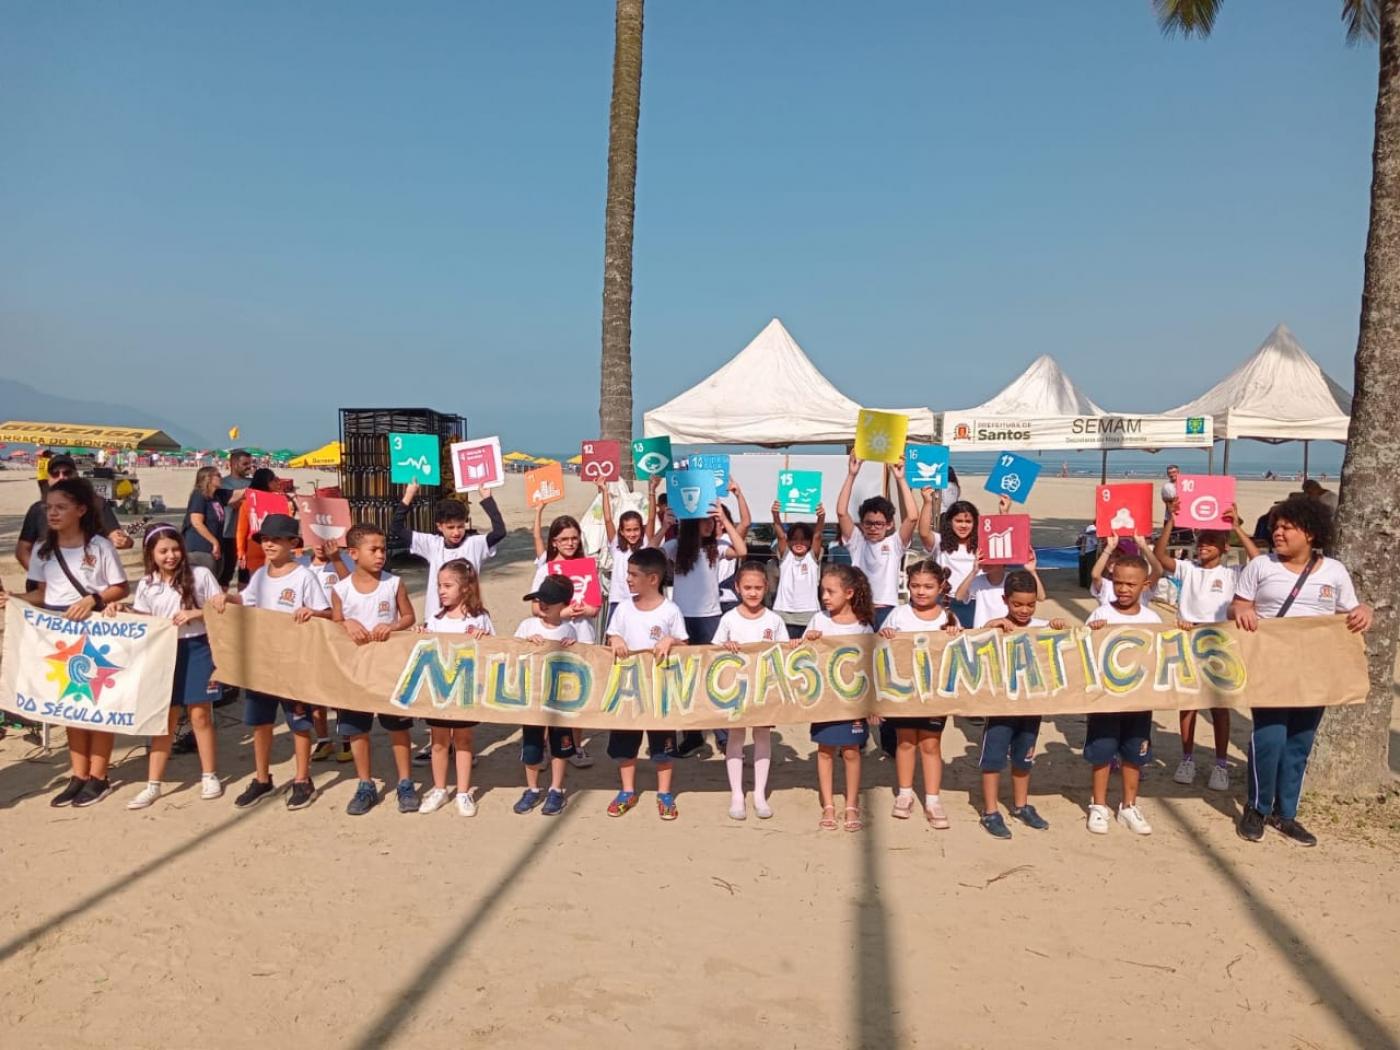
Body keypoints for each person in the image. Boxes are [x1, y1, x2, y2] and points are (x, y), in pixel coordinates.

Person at [1232, 496, 1371, 846]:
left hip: (1316, 669)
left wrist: (1364, 611)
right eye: (1275, 527)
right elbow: (1239, 604)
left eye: (1285, 527)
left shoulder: (1334, 571)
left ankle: (1286, 813)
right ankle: (1257, 808)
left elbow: (1351, 611)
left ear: (1309, 533)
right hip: (1271, 666)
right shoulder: (1261, 567)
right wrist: (1242, 611)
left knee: (1299, 743)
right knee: (1269, 737)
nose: (1277, 533)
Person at [18, 478, 131, 807]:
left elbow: (119, 587)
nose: (52, 514)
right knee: (70, 706)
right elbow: (40, 593)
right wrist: (15, 599)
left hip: (95, 634)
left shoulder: (99, 547)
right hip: (58, 635)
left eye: (60, 508)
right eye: (49, 508)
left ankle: (99, 775)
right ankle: (78, 774)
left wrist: (92, 599)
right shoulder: (43, 549)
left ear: (80, 510)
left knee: (97, 705)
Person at [216, 513, 332, 810]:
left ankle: (303, 779)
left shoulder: (304, 576)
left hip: (293, 662)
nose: (268, 544)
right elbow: (247, 601)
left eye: (276, 539)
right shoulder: (260, 574)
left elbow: (327, 613)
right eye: (265, 539)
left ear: (293, 544)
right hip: (262, 661)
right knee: (260, 722)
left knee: (299, 722)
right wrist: (227, 598)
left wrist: (313, 614)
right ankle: (261, 777)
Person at [114, 524, 225, 808]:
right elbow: (145, 618)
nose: (171, 556)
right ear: (151, 554)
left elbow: (221, 610)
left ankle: (209, 774)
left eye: (175, 549)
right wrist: (123, 610)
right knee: (165, 719)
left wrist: (196, 613)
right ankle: (154, 783)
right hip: (164, 653)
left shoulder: (200, 575)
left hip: (199, 647)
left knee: (200, 715)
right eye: (163, 551)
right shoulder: (148, 584)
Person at [1154, 501, 1261, 790]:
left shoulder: (1232, 573)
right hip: (1188, 639)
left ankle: (1221, 764)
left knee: (1219, 706)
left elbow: (1258, 560)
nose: (1203, 546)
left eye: (1211, 542)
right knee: (1187, 703)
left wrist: (1236, 526)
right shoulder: (1188, 569)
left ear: (1224, 548)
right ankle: (1187, 758)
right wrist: (1170, 522)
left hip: (1220, 644)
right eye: (1201, 540)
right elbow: (1159, 555)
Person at [331, 524, 419, 817]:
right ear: (353, 553)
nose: (381, 555)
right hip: (354, 671)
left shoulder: (393, 583)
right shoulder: (340, 589)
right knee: (357, 730)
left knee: (398, 727)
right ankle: (365, 783)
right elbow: (333, 625)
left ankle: (406, 782)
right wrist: (345, 624)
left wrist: (392, 625)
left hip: (388, 669)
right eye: (374, 550)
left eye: (383, 549)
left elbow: (408, 616)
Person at [976, 571, 1069, 838]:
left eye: (1030, 605)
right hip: (1000, 708)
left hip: (1030, 706)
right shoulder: (994, 625)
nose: (1024, 610)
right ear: (1005, 600)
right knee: (993, 759)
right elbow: (973, 644)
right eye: (1017, 604)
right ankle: (990, 811)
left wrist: (1057, 626)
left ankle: (1020, 805)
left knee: (1024, 757)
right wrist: (991, 627)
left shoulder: (1040, 626)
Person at [657, 493, 747, 758]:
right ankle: (692, 736)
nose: (709, 525)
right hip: (682, 618)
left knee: (714, 676)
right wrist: (663, 526)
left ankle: (722, 735)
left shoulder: (717, 546)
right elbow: (648, 553)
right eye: (705, 520)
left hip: (710, 618)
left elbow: (741, 550)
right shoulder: (676, 546)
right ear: (692, 522)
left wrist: (724, 520)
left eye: (712, 520)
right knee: (685, 679)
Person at [604, 547, 686, 819]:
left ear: (653, 579)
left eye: (633, 574)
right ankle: (627, 790)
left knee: (662, 743)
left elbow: (685, 645)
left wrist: (671, 640)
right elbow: (611, 636)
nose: (627, 579)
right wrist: (614, 639)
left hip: (660, 691)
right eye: (627, 573)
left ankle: (664, 793)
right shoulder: (624, 609)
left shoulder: (671, 611)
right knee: (625, 743)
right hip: (627, 688)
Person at [878, 560, 960, 826]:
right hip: (903, 692)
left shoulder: (948, 618)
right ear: (907, 586)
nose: (921, 591)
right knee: (904, 741)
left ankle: (933, 799)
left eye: (928, 586)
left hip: (934, 694)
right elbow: (881, 647)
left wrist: (953, 634)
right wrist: (886, 634)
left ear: (941, 587)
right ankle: (904, 794)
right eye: (915, 586)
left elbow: (958, 653)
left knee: (931, 744)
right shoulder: (898, 615)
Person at [1084, 554, 1161, 836]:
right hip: (1105, 700)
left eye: (1131, 584)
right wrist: (1090, 634)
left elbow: (1161, 654)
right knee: (1102, 752)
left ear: (1146, 585)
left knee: (1134, 753)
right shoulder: (1101, 614)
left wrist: (1182, 630)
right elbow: (1082, 651)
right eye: (1118, 583)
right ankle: (1099, 805)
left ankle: (1129, 805)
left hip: (1138, 701)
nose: (1124, 589)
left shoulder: (1152, 619)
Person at [417, 560, 495, 816]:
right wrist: (418, 634)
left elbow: (496, 650)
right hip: (440, 690)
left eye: (448, 585)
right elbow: (423, 649)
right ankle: (440, 789)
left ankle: (463, 791)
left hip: (464, 690)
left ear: (465, 588)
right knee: (438, 742)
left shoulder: (480, 618)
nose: (441, 590)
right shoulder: (435, 619)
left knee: (463, 741)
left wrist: (483, 640)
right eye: (439, 585)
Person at [713, 561, 788, 821]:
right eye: (747, 587)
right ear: (737, 588)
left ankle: (759, 793)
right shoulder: (729, 618)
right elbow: (712, 652)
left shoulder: (775, 620)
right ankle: (736, 794)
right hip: (735, 689)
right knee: (735, 738)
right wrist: (726, 645)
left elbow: (784, 652)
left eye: (758, 587)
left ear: (766, 587)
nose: (753, 592)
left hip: (764, 690)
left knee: (762, 738)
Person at [805, 564, 875, 833]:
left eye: (830, 591)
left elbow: (869, 666)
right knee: (824, 750)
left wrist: (871, 704)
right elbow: (804, 661)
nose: (824, 596)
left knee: (851, 751)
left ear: (848, 593)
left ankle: (851, 804)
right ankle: (828, 805)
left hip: (853, 701)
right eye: (822, 590)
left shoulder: (864, 625)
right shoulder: (818, 620)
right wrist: (809, 640)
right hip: (824, 699)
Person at [511, 575, 580, 817]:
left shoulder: (569, 629)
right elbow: (510, 652)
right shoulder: (527, 626)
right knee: (532, 745)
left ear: (564, 605)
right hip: (532, 699)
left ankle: (556, 788)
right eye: (540, 599)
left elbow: (583, 664)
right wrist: (525, 642)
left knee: (560, 745)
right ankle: (532, 788)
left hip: (560, 700)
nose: (542, 604)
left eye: (548, 601)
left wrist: (574, 646)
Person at [393, 478, 506, 620]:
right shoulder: (432, 544)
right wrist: (409, 494)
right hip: (436, 619)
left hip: (469, 619)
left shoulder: (474, 544)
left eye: (460, 526)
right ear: (440, 526)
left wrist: (487, 499)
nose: (456, 532)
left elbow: (500, 532)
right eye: (450, 527)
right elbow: (396, 528)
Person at [835, 455, 918, 628]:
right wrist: (851, 475)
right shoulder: (857, 541)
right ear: (862, 523)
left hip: (888, 610)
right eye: (869, 523)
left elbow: (912, 517)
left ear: (889, 524)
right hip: (859, 608)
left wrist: (901, 479)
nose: (873, 528)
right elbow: (842, 512)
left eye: (879, 524)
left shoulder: (895, 544)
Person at [15, 454, 131, 572]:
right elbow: (22, 550)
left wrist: (122, 541)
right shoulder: (37, 510)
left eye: (67, 473)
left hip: (88, 580)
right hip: (46, 585)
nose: (61, 477)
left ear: (76, 475)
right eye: (55, 474)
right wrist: (41, 576)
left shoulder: (97, 504)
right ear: (48, 479)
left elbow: (116, 535)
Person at [530, 510, 601, 642]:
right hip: (555, 639)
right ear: (554, 542)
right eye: (564, 539)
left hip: (584, 638)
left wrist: (586, 610)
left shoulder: (588, 568)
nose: (570, 543)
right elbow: (535, 608)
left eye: (574, 538)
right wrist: (561, 613)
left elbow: (596, 608)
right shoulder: (545, 571)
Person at [770, 499, 826, 640]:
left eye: (804, 539)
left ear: (809, 542)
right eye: (794, 539)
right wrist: (775, 515)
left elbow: (818, 535)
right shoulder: (786, 556)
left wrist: (821, 517)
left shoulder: (812, 557)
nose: (799, 543)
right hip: (783, 614)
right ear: (789, 542)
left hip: (809, 615)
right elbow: (781, 535)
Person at [597, 481, 649, 626]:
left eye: (636, 529)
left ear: (641, 530)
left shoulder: (644, 546)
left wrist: (652, 491)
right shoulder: (616, 547)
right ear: (621, 531)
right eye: (628, 530)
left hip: (640, 599)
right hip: (618, 600)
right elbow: (607, 519)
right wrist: (604, 491)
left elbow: (651, 519)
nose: (632, 534)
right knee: (613, 640)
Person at [936, 500, 980, 627]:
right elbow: (923, 533)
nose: (963, 525)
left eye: (968, 521)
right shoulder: (940, 542)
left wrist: (1004, 512)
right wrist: (927, 502)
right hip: (947, 601)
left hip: (975, 601)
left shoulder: (982, 544)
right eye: (959, 521)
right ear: (950, 522)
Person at [215, 449, 254, 588]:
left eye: (250, 464)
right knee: (225, 573)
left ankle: (242, 606)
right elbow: (234, 504)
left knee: (246, 572)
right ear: (233, 464)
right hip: (227, 533)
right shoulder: (222, 483)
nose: (249, 467)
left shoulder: (253, 482)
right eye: (245, 464)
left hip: (248, 535)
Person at [234, 468, 281, 579]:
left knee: (256, 584)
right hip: (273, 545)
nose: (277, 482)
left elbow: (241, 530)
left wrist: (241, 551)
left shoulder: (248, 502)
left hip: (253, 545)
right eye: (274, 479)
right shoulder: (278, 501)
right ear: (267, 482)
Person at [714, 481, 752, 615]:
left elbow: (746, 522)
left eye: (717, 520)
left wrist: (738, 494)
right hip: (706, 597)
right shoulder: (699, 541)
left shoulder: (730, 538)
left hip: (727, 597)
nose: (713, 523)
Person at [181, 466, 225, 573]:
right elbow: (196, 522)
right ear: (208, 478)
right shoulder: (199, 495)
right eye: (218, 475)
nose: (221, 477)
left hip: (212, 550)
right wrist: (214, 542)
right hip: (199, 549)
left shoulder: (215, 496)